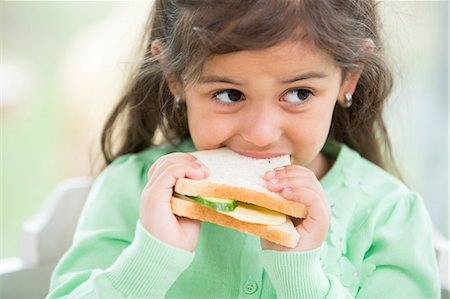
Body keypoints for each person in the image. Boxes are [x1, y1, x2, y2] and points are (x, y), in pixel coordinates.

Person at [47, 0, 440, 298]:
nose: (261, 133)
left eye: (299, 93)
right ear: (175, 77)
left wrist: (299, 273)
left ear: (348, 80)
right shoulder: (131, 190)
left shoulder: (389, 214)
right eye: (229, 94)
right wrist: (152, 256)